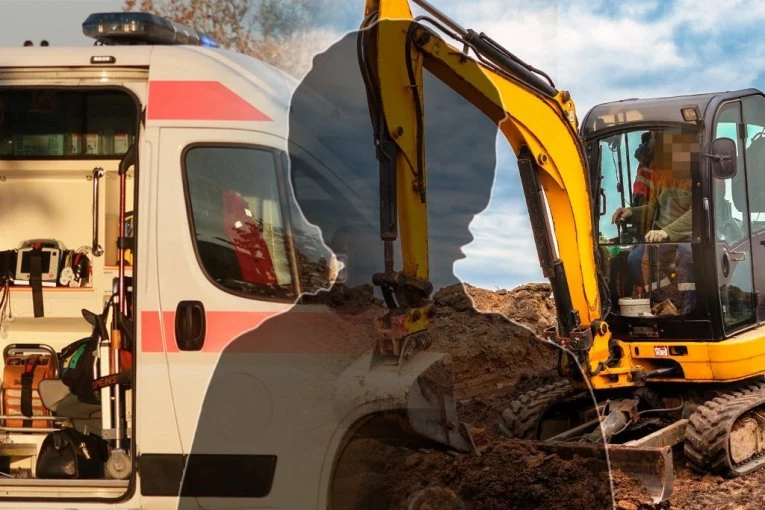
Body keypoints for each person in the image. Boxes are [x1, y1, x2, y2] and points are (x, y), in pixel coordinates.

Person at [611, 130, 697, 314]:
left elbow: (697, 214)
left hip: (691, 237)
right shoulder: (664, 178)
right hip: (663, 238)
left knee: (686, 254)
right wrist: (630, 212)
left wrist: (666, 232)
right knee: (635, 259)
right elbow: (651, 209)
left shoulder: (700, 180)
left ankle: (689, 310)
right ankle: (667, 301)